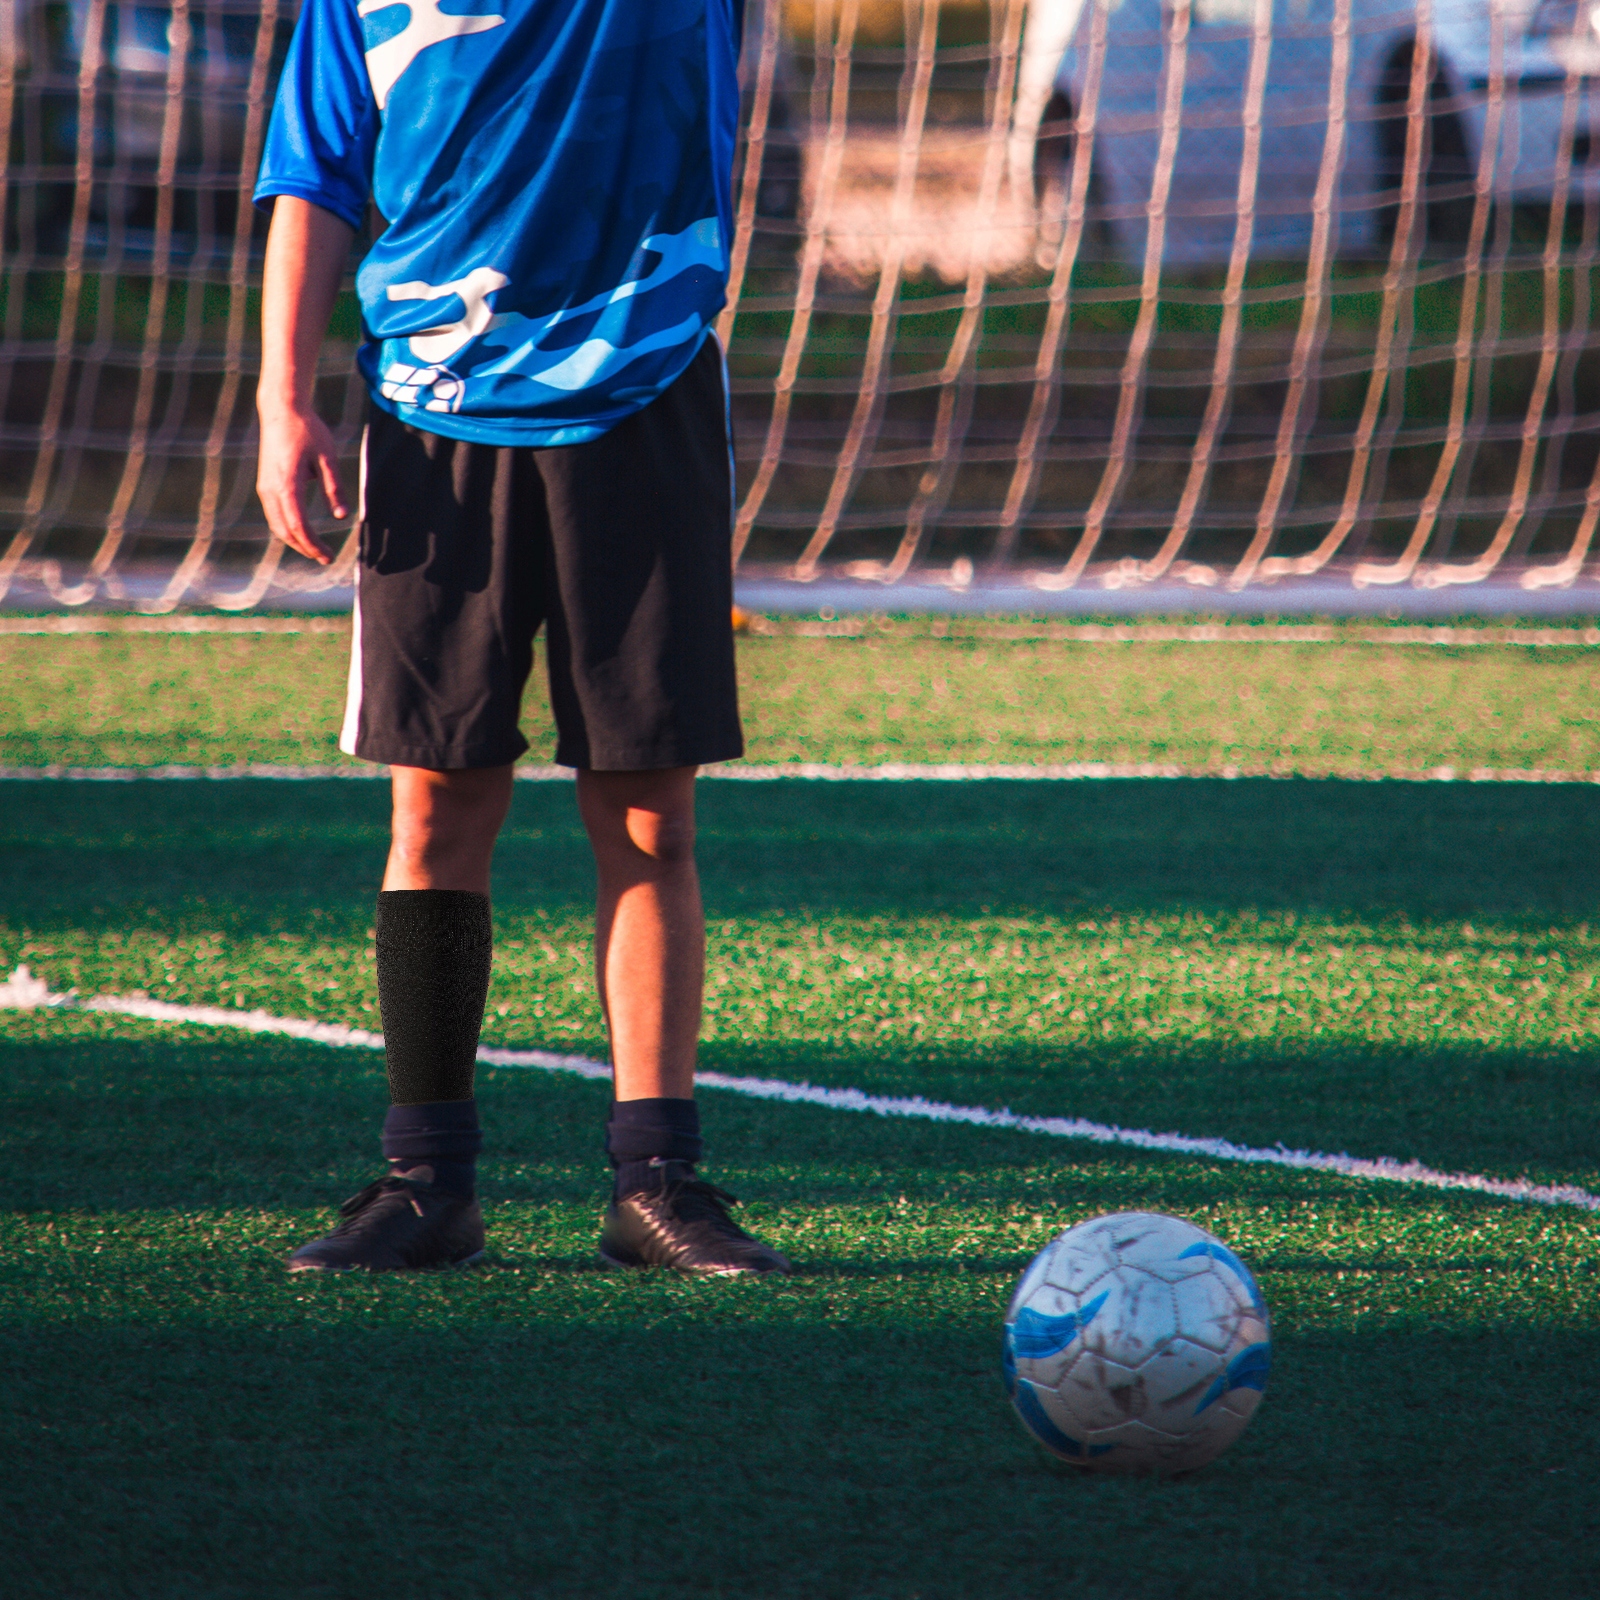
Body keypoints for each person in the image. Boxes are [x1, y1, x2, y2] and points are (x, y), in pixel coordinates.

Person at [252, 0, 788, 1276]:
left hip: (643, 391)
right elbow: (314, 175)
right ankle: (425, 1181)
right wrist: (281, 399)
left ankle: (657, 1181)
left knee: (650, 807)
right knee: (434, 807)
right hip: (430, 413)